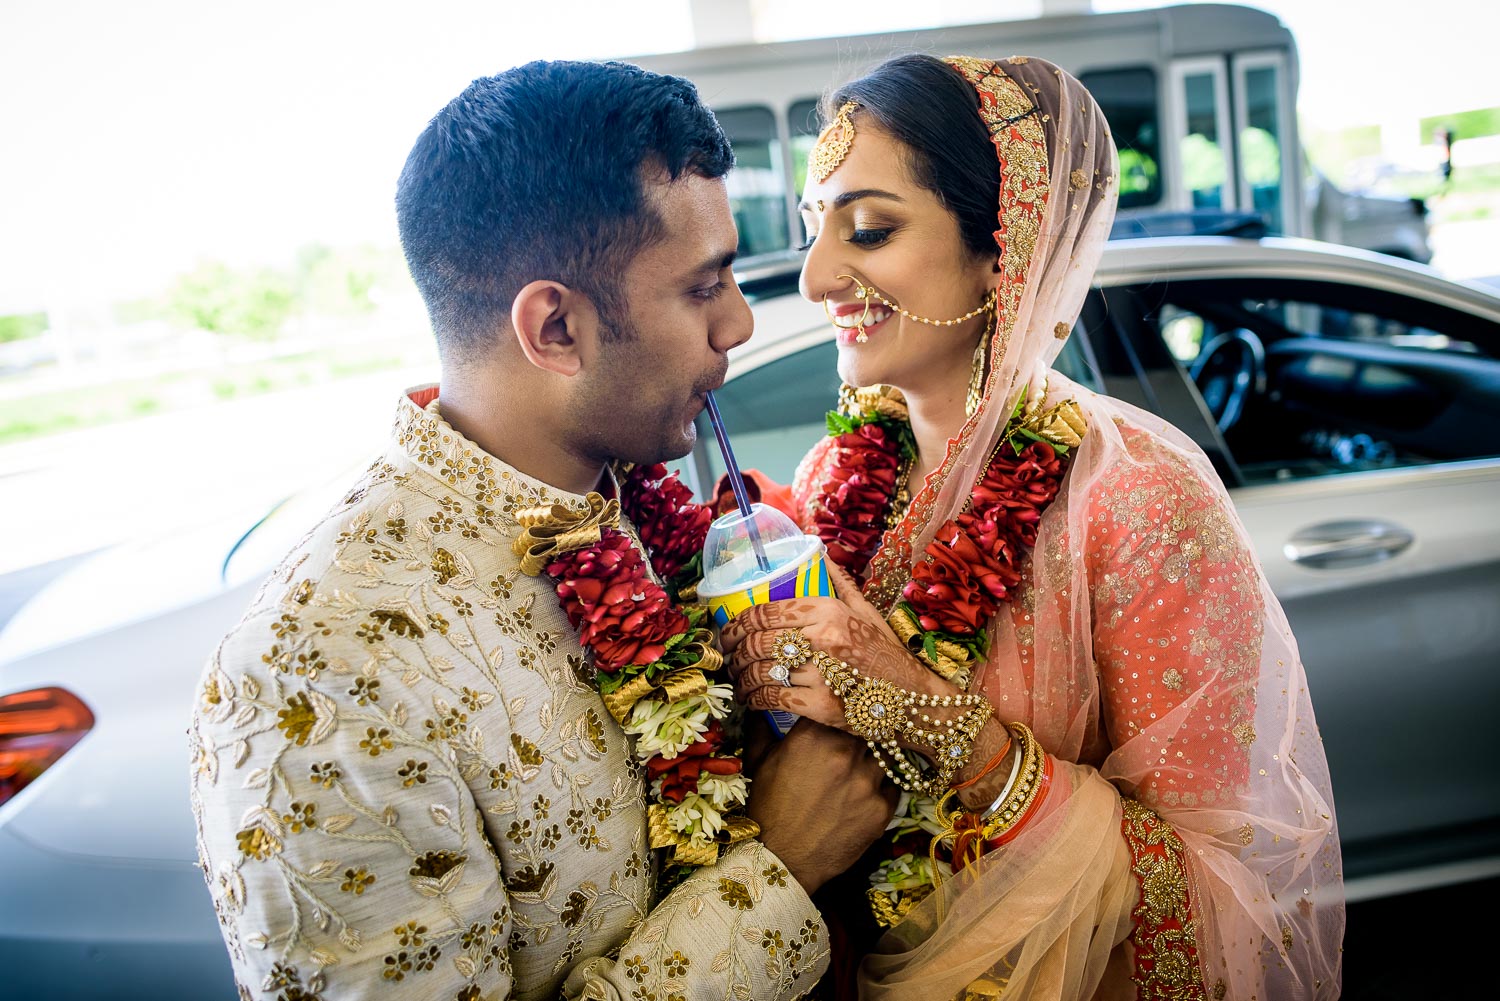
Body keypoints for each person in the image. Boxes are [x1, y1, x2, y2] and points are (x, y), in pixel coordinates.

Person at [187, 60, 897, 1001]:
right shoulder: (314, 676)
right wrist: (780, 872)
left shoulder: (637, 503)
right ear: (555, 328)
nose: (739, 320)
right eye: (702, 287)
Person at [722, 54, 1344, 999]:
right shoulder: (835, 474)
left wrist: (930, 713)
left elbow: (1227, 899)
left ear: (1001, 244)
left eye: (871, 229)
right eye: (815, 232)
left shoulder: (1135, 496)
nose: (815, 279)